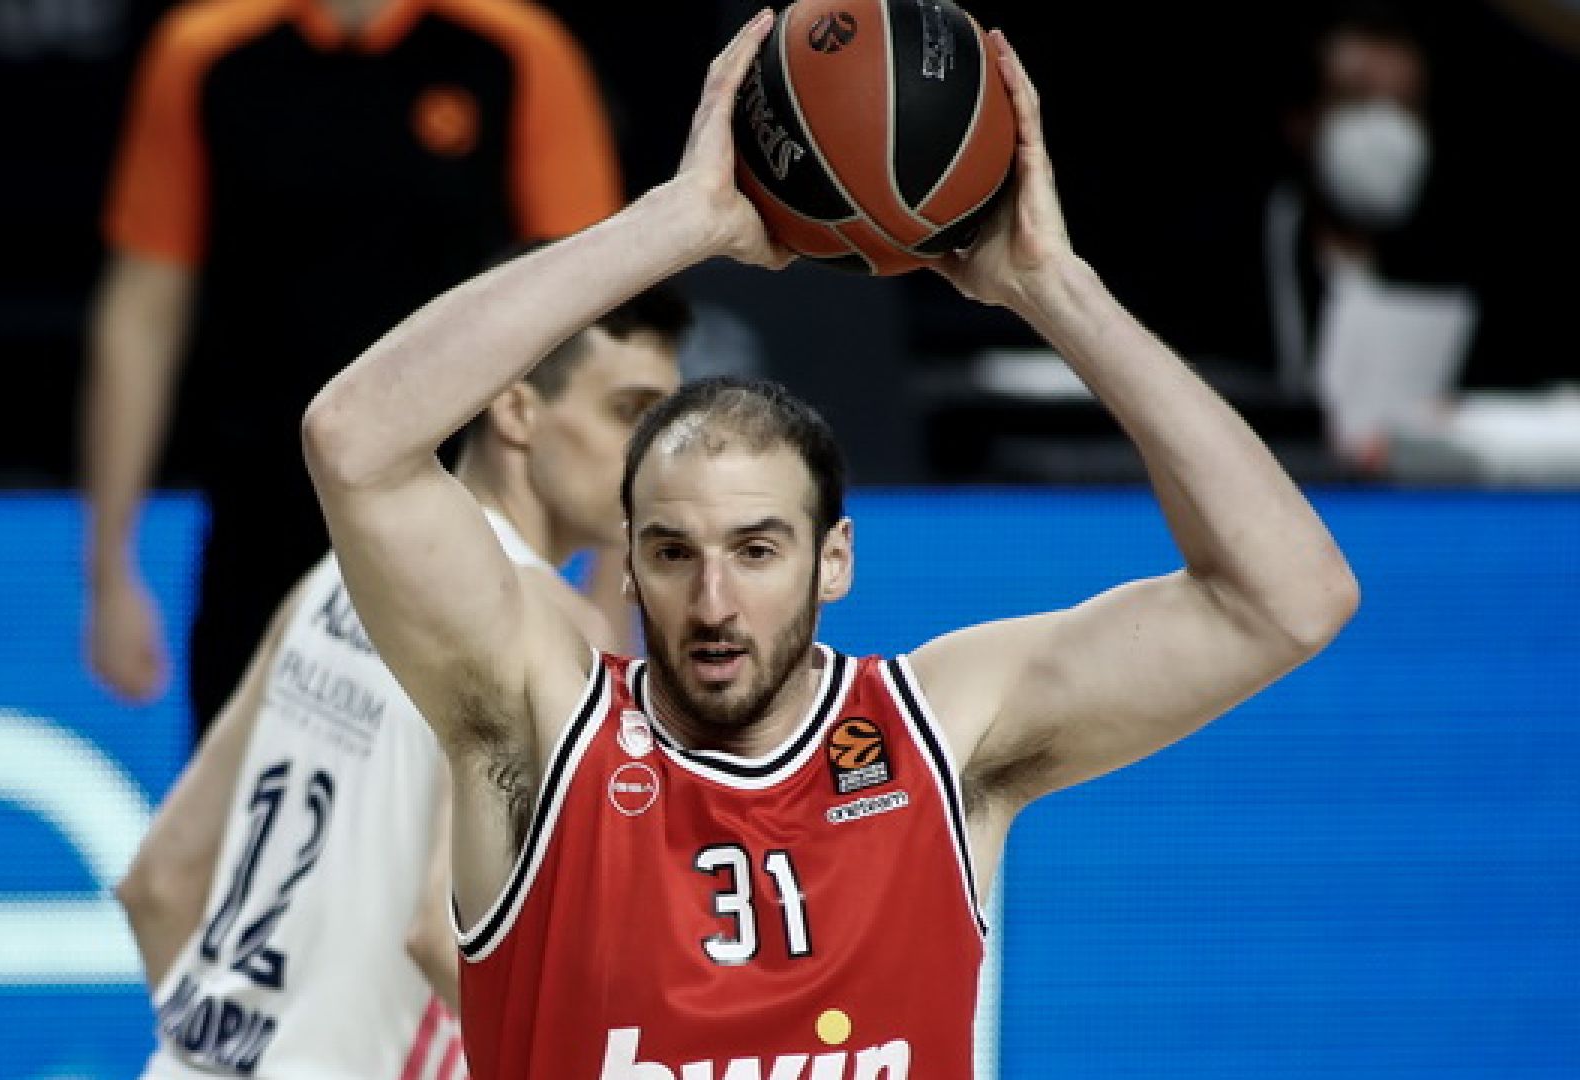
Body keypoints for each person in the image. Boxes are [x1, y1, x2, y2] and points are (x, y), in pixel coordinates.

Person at [301, 12, 1359, 1078]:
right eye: (673, 553)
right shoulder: (542, 730)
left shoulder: (942, 732)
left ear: (835, 560)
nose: (715, 601)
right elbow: (355, 442)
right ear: (629, 558)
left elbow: (1290, 597)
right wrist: (674, 223)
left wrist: (1055, 288)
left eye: (757, 550)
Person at [114, 285, 687, 1079]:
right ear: (515, 410)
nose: (656, 456)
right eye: (630, 412)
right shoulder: (540, 624)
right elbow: (450, 942)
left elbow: (161, 880)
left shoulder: (337, 576)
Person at [82, 0, 624, 747]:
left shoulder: (514, 48)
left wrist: (613, 580)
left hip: (468, 537)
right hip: (262, 530)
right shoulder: (208, 52)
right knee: (245, 801)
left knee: (472, 806)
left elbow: (601, 313)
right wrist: (110, 567)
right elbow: (144, 312)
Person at [1264, 2, 1475, 470]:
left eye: (1405, 106)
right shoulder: (1233, 262)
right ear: (1302, 119)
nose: (1386, 131)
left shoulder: (1460, 258)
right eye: (1357, 100)